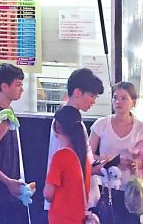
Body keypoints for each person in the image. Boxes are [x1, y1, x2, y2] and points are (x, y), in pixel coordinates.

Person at [88, 81, 143, 223]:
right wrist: (113, 161)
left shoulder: (141, 128)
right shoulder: (102, 124)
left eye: (124, 98)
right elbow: (88, 155)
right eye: (115, 98)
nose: (118, 102)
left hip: (131, 189)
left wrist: (142, 163)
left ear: (133, 102)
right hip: (106, 187)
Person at [46, 68, 104, 214]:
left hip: (76, 199)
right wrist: (92, 169)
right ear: (77, 92)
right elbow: (65, 166)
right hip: (70, 202)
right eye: (91, 96)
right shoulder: (64, 123)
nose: (93, 101)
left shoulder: (73, 120)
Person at [0, 63, 32, 223]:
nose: (22, 89)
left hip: (11, 189)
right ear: (4, 86)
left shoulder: (9, 112)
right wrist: (6, 181)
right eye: (18, 84)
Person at [46, 105, 92, 224]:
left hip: (61, 219)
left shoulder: (60, 156)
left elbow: (48, 194)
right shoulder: (84, 157)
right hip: (79, 218)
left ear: (58, 127)